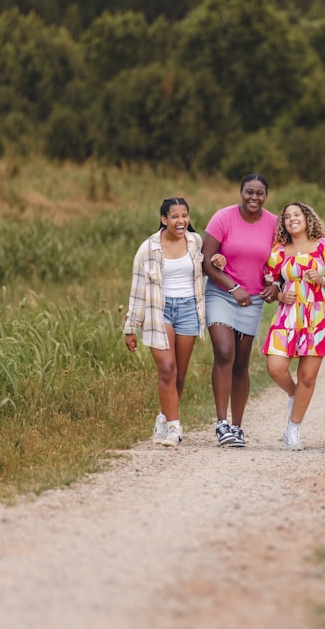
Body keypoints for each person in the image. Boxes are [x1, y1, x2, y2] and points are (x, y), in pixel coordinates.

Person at [201, 173, 280, 448]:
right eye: (249, 192)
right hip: (221, 293)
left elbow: (283, 262)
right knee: (224, 352)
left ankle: (237, 426)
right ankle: (222, 424)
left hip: (253, 299)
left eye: (260, 193)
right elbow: (206, 262)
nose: (254, 198)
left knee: (241, 363)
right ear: (240, 192)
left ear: (266, 196)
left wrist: (276, 285)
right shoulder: (223, 218)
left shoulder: (274, 224)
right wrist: (233, 286)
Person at [262, 202, 325, 450]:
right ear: (284, 224)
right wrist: (279, 296)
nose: (292, 219)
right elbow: (269, 281)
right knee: (275, 366)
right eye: (287, 216)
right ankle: (293, 394)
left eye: (296, 214)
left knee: (307, 376)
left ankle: (293, 430)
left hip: (318, 315)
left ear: (307, 218)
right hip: (288, 314)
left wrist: (321, 278)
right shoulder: (278, 251)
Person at [124, 197, 206, 448]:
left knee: (179, 374)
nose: (181, 221)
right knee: (167, 369)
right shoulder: (148, 248)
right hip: (159, 310)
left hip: (189, 309)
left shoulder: (195, 241)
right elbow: (138, 290)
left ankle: (164, 416)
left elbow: (203, 273)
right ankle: (174, 428)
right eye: (175, 217)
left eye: (185, 215)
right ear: (164, 219)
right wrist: (130, 326)